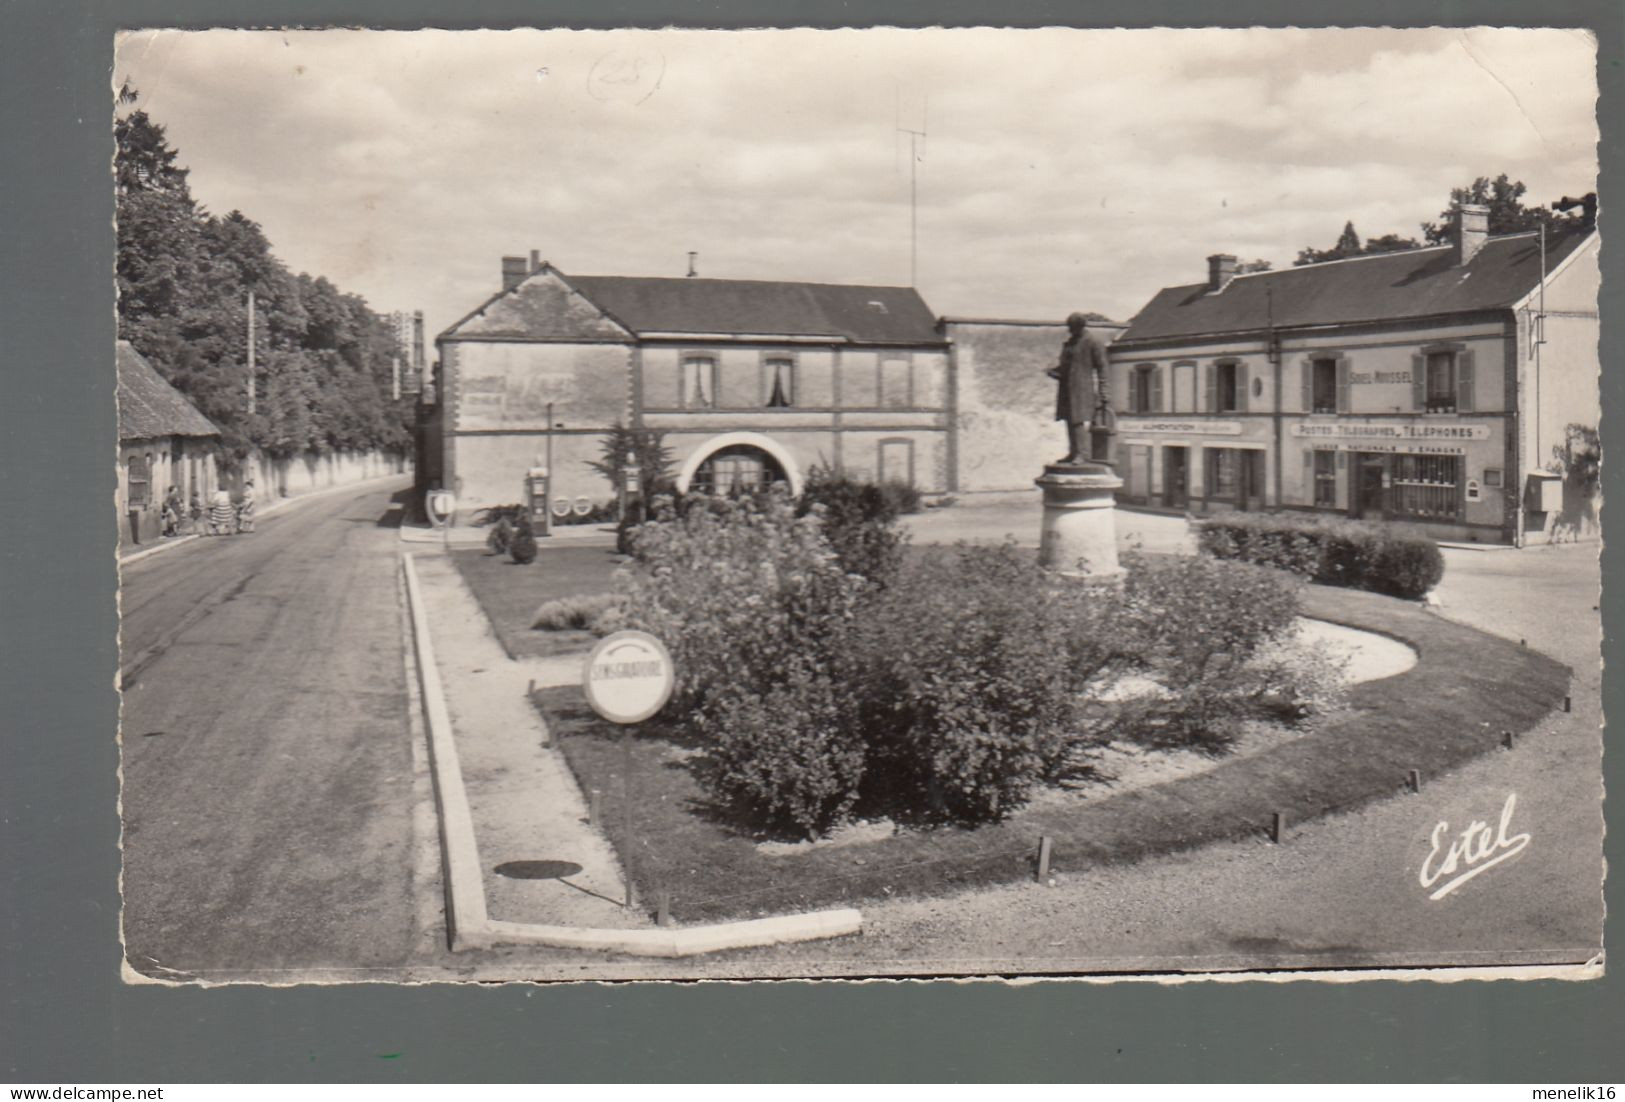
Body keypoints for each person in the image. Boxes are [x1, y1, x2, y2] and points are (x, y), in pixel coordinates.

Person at [1047, 312, 1113, 465]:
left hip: (1082, 388)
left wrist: (1104, 391)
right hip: (1066, 388)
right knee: (1069, 420)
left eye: (1072, 328)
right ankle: (1073, 452)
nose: (1069, 331)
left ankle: (1083, 454)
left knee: (1078, 421)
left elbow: (1103, 367)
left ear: (1079, 326)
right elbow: (1066, 367)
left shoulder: (1092, 342)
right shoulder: (1070, 343)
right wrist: (1054, 371)